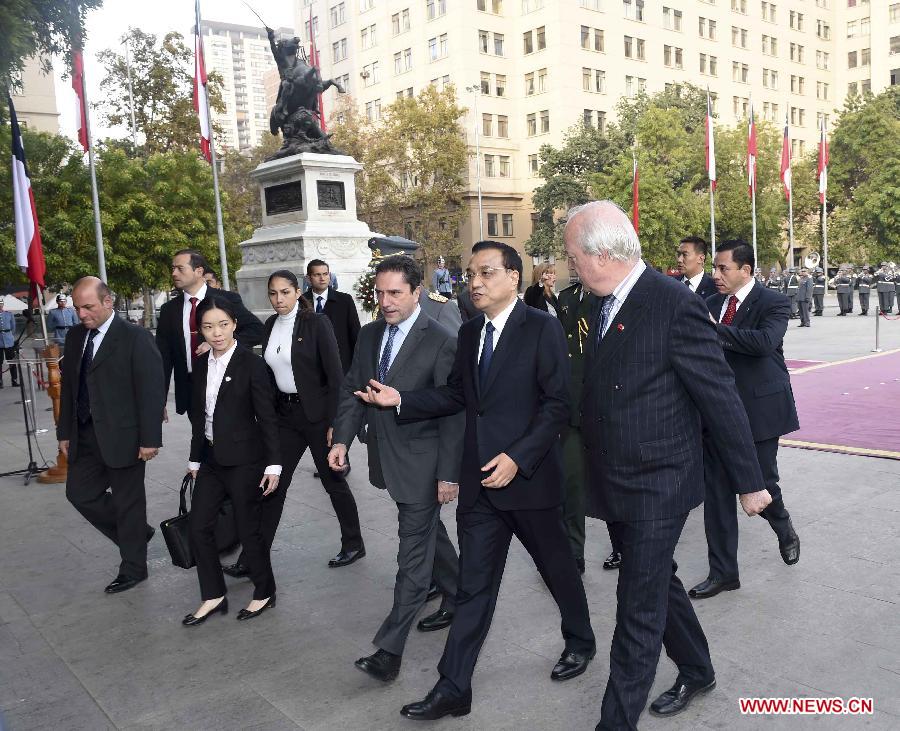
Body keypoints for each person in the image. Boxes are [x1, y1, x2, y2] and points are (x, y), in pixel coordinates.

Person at [359, 241, 596, 721]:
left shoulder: (542, 327)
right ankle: (453, 686)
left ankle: (580, 639)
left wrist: (519, 457)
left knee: (557, 570)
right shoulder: (469, 334)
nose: (475, 282)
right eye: (471, 274)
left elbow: (557, 404)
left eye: (486, 273)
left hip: (528, 482)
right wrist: (401, 399)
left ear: (513, 276)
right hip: (480, 486)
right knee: (473, 586)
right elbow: (456, 396)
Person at [563, 202, 771, 728]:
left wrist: (751, 482)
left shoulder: (673, 303)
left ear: (603, 254)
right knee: (654, 579)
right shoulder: (595, 303)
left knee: (637, 604)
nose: (570, 267)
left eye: (573, 257)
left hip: (660, 480)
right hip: (612, 475)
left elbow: (719, 396)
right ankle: (698, 669)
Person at [328, 255, 463, 683]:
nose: (385, 302)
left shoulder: (441, 340)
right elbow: (353, 389)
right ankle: (460, 593)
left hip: (424, 466)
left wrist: (448, 474)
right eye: (380, 293)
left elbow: (452, 412)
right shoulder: (369, 336)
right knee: (427, 535)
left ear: (416, 292)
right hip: (387, 459)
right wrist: (342, 440)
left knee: (412, 557)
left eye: (395, 293)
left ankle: (389, 650)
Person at [222, 270, 364, 578]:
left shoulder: (317, 324)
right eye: (273, 293)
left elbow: (335, 375)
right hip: (284, 418)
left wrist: (335, 424)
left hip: (316, 417)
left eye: (284, 292)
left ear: (298, 291)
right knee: (273, 484)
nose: (278, 299)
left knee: (333, 481)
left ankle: (353, 542)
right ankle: (252, 555)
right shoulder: (271, 325)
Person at [690, 239, 801, 601]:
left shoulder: (773, 302)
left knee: (761, 481)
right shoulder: (709, 304)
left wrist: (713, 330)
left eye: (723, 268)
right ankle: (723, 573)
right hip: (717, 412)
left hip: (759, 411)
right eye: (715, 268)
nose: (716, 275)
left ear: (746, 270)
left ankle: (783, 527)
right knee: (718, 492)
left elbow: (764, 342)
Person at [57, 277, 165, 594]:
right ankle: (135, 533)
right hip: (85, 434)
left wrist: (150, 439)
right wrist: (65, 431)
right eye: (77, 307)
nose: (81, 314)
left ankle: (134, 568)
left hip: (125, 437)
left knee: (128, 503)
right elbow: (70, 388)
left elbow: (151, 391)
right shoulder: (76, 337)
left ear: (108, 302)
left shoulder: (135, 337)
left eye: (88, 307)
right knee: (79, 494)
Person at [182, 295, 281, 626]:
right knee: (199, 527)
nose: (216, 333)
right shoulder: (200, 365)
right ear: (201, 331)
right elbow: (201, 417)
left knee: (247, 529)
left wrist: (274, 464)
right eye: (208, 327)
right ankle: (213, 594)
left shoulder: (251, 365)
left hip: (246, 461)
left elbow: (267, 417)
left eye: (223, 325)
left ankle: (264, 591)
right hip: (211, 460)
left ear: (235, 324)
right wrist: (195, 460)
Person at [557, 271, 622, 573]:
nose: (574, 263)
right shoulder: (567, 297)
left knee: (613, 481)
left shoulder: (610, 298)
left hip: (606, 405)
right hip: (571, 405)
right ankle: (572, 552)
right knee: (572, 482)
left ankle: (625, 545)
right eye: (570, 257)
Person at [156, 249, 264, 421]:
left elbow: (256, 330)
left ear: (199, 271)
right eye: (173, 268)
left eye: (180, 268)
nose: (174, 273)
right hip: (192, 390)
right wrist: (158, 401)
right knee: (201, 441)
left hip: (227, 383)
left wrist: (218, 343)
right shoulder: (169, 310)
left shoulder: (226, 299)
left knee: (230, 440)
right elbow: (163, 358)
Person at [303, 259, 360, 373]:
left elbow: (355, 333)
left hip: (341, 365)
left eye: (325, 274)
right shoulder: (301, 302)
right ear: (308, 278)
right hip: (311, 367)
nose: (322, 278)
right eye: (317, 275)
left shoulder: (345, 300)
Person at [0, 298, 18, 388]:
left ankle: (14, 380)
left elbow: (13, 327)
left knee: (12, 361)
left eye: (1, 304)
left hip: (8, 340)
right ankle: (0, 381)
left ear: (3, 304)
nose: (0, 305)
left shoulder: (9, 314)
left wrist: (10, 336)